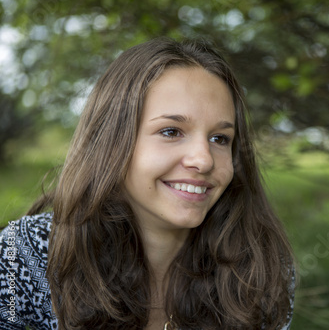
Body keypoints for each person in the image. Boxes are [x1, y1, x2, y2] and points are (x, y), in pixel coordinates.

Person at [0, 38, 295, 329]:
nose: (204, 160)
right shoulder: (25, 252)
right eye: (171, 131)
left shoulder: (260, 266)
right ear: (111, 140)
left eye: (220, 139)